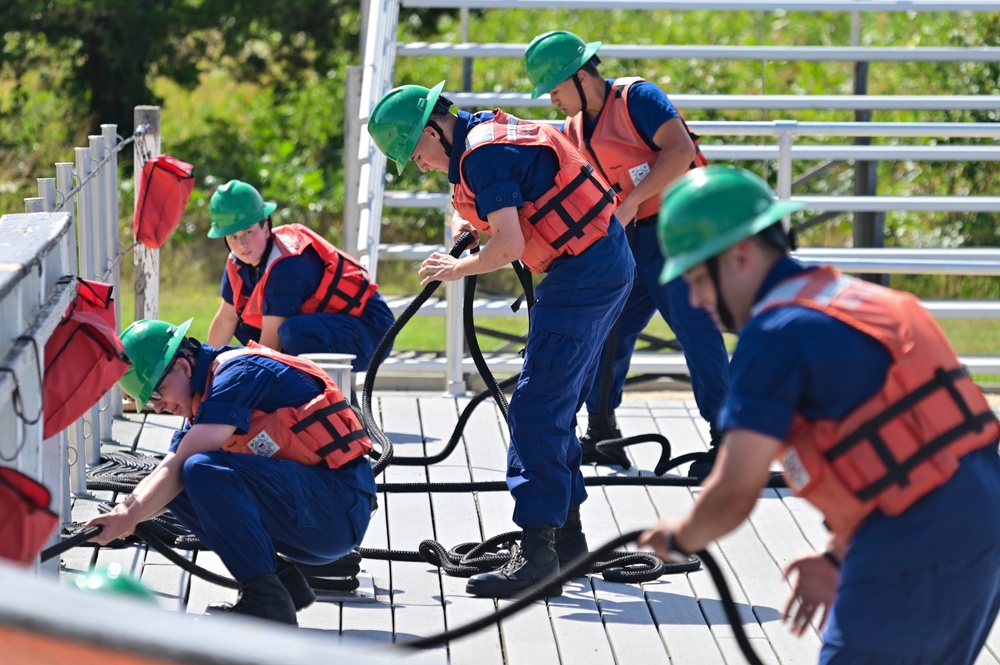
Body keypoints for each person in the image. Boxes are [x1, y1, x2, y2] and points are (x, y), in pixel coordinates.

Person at [639, 165, 1000, 664]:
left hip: (914, 548)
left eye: (699, 279)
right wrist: (837, 556)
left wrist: (681, 536)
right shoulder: (856, 300)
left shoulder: (775, 334)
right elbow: (910, 454)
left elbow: (735, 489)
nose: (697, 301)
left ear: (739, 255)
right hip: (980, 526)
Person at [368, 81, 635, 598]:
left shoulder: (482, 154)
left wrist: (456, 267)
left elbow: (510, 243)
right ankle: (567, 543)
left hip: (584, 274)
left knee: (535, 410)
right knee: (552, 408)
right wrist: (471, 227)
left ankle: (538, 558)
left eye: (415, 153)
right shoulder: (481, 136)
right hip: (598, 264)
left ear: (432, 131)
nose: (419, 166)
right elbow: (491, 208)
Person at [524, 31, 731, 474]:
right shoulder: (575, 128)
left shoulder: (638, 97)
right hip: (632, 238)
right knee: (607, 328)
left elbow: (680, 151)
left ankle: (729, 441)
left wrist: (634, 200)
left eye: (556, 90)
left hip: (681, 228)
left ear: (581, 77)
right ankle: (603, 433)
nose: (553, 102)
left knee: (696, 331)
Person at [87, 319, 378, 625]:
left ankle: (266, 602)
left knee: (199, 469)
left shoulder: (240, 375)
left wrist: (129, 518)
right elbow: (167, 469)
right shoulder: (206, 404)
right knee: (179, 482)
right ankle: (278, 585)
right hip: (312, 515)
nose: (156, 409)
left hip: (337, 509)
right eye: (147, 402)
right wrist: (124, 512)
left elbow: (185, 462)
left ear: (184, 367)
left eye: (156, 395)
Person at [206, 179, 395, 372]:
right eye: (233, 237)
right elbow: (226, 320)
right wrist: (206, 373)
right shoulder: (239, 262)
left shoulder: (287, 264)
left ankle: (334, 397)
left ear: (265, 228)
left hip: (371, 332)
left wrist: (238, 382)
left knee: (293, 332)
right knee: (244, 322)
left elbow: (269, 346)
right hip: (330, 327)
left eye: (248, 232)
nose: (242, 244)